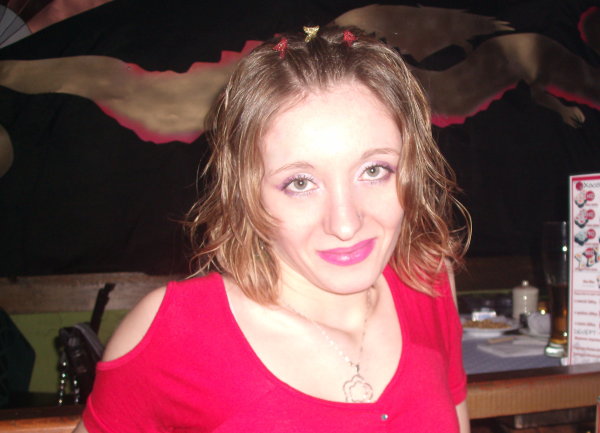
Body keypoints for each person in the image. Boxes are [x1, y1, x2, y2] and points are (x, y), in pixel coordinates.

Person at [74, 25, 471, 433]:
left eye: (374, 170)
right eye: (300, 183)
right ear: (247, 191)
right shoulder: (176, 330)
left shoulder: (428, 281)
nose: (345, 224)